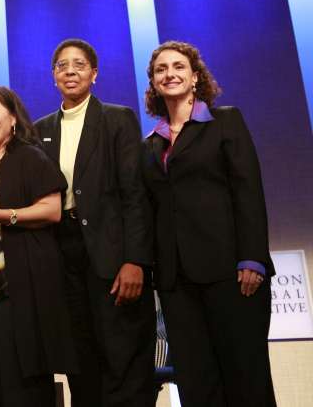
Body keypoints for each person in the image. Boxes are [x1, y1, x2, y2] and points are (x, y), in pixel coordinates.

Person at [142, 41, 276, 407]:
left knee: (245, 377)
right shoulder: (150, 144)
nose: (169, 74)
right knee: (196, 383)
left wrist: (252, 258)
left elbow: (248, 191)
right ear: (153, 83)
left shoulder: (225, 121)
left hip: (231, 271)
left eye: (178, 67)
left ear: (195, 77)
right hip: (175, 281)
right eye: (161, 69)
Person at [34, 39, 156, 407]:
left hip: (113, 253)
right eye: (62, 65)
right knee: (80, 358)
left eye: (79, 64)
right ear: (53, 75)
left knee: (122, 356)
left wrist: (135, 260)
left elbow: (135, 194)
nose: (70, 71)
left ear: (94, 73)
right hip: (64, 255)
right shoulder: (40, 129)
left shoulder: (117, 119)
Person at [0, 84, 76, 407]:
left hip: (20, 289)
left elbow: (52, 210)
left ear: (13, 118)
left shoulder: (28, 156)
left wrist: (2, 215)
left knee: (23, 386)